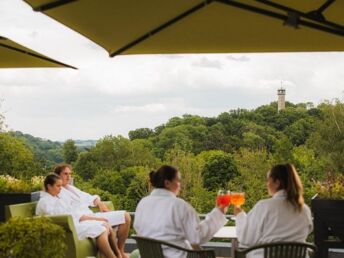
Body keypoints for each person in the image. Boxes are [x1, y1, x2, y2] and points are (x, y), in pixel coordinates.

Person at [133, 165, 229, 258]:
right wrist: (219, 212)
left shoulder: (143, 203)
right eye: (178, 181)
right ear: (167, 183)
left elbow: (138, 229)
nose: (180, 185)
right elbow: (197, 237)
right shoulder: (179, 206)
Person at [234, 163, 313, 258]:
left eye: (268, 180)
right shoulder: (304, 209)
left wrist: (240, 216)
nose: (267, 184)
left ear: (277, 182)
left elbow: (246, 239)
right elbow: (308, 231)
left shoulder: (264, 206)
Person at [54, 164, 131, 258]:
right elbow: (73, 215)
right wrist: (97, 219)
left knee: (125, 216)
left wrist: (99, 203)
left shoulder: (71, 188)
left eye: (70, 174)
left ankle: (120, 250)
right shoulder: (58, 192)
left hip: (93, 215)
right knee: (105, 225)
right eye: (65, 174)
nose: (69, 177)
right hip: (84, 220)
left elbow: (88, 197)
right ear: (57, 176)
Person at [36, 174, 121, 258]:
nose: (60, 189)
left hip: (75, 223)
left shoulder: (57, 198)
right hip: (67, 228)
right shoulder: (45, 202)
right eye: (58, 186)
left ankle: (117, 255)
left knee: (106, 226)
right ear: (49, 186)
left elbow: (73, 213)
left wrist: (95, 219)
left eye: (61, 186)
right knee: (102, 229)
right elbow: (57, 218)